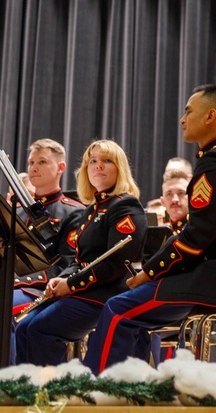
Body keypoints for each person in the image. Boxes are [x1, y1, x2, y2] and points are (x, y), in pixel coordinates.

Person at [83, 85, 216, 373]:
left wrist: (149, 272)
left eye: (188, 111)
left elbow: (196, 238)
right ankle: (131, 388)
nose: (182, 119)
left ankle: (96, 394)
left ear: (210, 116)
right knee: (131, 312)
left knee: (118, 310)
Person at [15, 140, 146, 366]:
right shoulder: (90, 211)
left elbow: (113, 265)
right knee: (25, 326)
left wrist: (72, 285)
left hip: (107, 293)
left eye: (107, 161)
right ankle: (25, 393)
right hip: (85, 289)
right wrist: (61, 279)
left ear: (120, 168)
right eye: (92, 161)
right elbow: (79, 260)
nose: (98, 166)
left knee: (40, 329)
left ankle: (49, 394)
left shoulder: (126, 206)